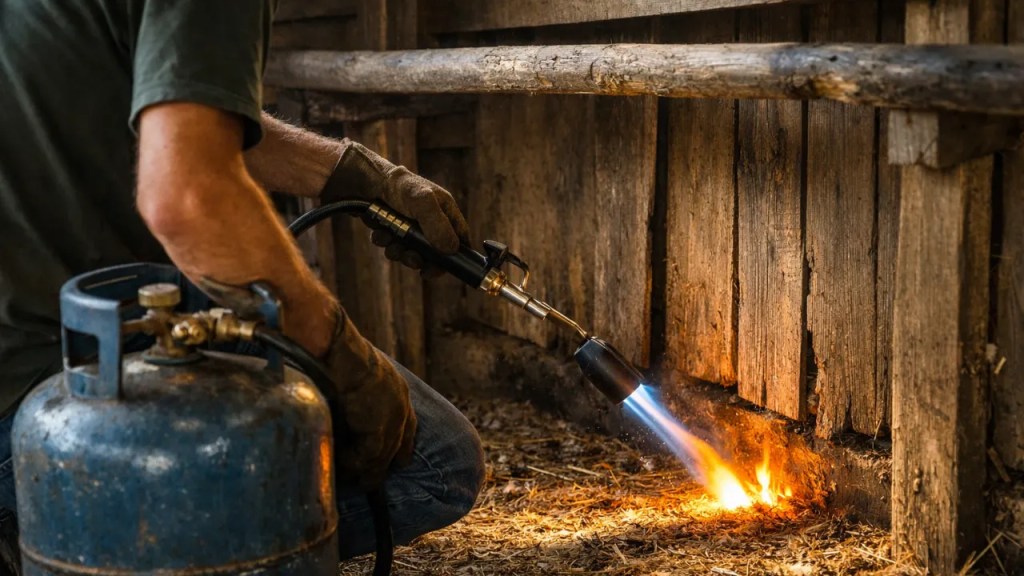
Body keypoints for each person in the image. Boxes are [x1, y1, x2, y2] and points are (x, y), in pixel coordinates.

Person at [0, 1, 485, 573]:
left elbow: (177, 118)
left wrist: (355, 173)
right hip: (44, 400)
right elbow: (188, 197)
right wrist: (341, 355)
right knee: (435, 464)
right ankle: (58, 533)